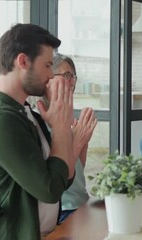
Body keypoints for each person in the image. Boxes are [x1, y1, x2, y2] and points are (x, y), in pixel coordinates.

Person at [0, 23, 76, 239]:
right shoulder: (0, 120)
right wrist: (61, 127)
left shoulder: (27, 113)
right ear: (23, 61)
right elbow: (50, 190)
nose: (51, 75)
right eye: (47, 65)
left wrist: (63, 128)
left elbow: (63, 178)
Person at [28, 53, 97, 224]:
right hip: (63, 209)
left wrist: (84, 143)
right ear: (48, 79)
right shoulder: (37, 121)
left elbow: (77, 171)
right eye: (65, 75)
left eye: (72, 75)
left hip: (82, 202)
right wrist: (78, 141)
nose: (71, 80)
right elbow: (57, 178)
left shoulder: (67, 118)